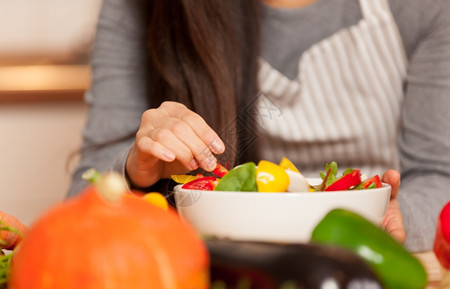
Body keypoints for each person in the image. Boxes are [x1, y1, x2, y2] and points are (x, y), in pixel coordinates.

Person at [67, 0, 450, 253]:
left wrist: (398, 220)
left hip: (368, 258)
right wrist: (135, 170)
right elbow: (79, 199)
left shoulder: (420, 7)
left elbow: (438, 174)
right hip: (221, 266)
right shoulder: (143, 6)